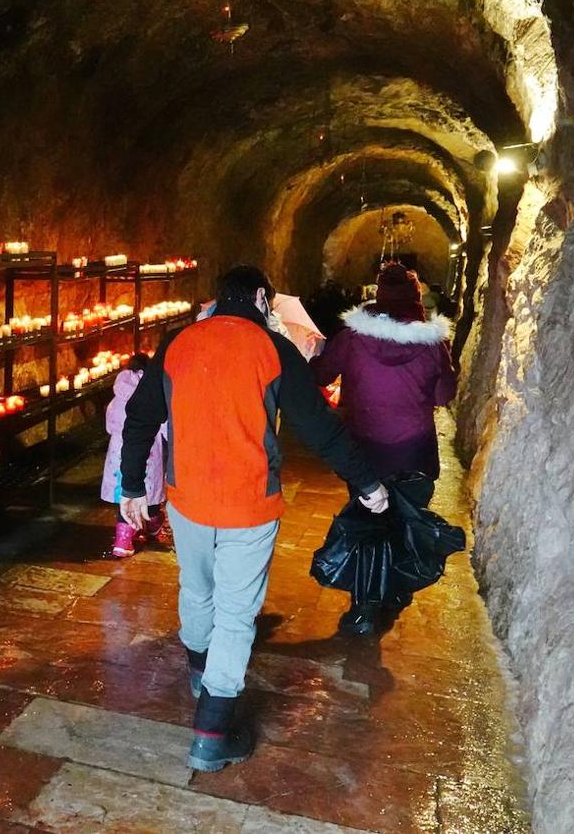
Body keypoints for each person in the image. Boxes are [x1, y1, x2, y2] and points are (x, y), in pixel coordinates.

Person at [119, 265, 388, 773]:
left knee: (196, 588)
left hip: (188, 497)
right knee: (237, 613)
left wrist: (132, 485)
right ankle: (213, 730)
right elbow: (321, 429)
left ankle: (199, 668)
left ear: (218, 299)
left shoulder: (178, 343)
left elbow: (140, 416)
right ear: (262, 298)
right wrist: (366, 482)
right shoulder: (274, 349)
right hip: (249, 505)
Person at [310, 263, 458, 634]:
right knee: (402, 523)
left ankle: (364, 607)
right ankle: (392, 593)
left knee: (368, 523)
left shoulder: (353, 337)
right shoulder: (432, 342)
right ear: (415, 299)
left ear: (378, 295)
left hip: (364, 449)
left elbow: (320, 375)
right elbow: (444, 394)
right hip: (413, 449)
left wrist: (318, 355)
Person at [101, 353, 166, 558]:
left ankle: (123, 540)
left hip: (119, 452)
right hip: (148, 451)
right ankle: (153, 524)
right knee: (149, 494)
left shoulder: (117, 398)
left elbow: (110, 425)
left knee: (125, 493)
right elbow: (165, 426)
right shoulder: (151, 397)